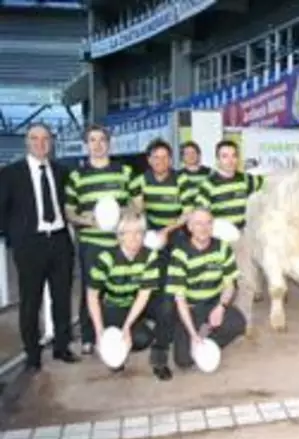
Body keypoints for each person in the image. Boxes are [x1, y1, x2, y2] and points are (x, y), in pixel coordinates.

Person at [0, 123, 79, 371]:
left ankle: (61, 347)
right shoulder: (11, 173)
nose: (40, 143)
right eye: (35, 138)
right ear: (27, 142)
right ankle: (32, 354)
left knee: (62, 298)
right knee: (30, 301)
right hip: (30, 245)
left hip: (59, 241)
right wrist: (15, 239)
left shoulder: (61, 171)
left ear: (52, 142)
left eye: (45, 139)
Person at [65, 124, 136, 355]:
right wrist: (89, 221)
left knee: (122, 288)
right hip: (91, 244)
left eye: (102, 139)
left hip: (120, 243)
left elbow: (137, 205)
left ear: (109, 143)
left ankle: (123, 331)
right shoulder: (77, 176)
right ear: (86, 144)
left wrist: (125, 212)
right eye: (92, 140)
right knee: (91, 290)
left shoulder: (124, 171)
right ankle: (89, 336)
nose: (97, 145)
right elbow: (69, 212)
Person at [87, 210, 173, 380]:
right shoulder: (106, 259)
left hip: (136, 303)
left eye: (139, 232)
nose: (135, 237)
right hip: (114, 305)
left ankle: (159, 355)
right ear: (120, 236)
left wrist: (127, 326)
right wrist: (99, 332)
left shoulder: (150, 256)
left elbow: (143, 295)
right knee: (138, 340)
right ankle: (112, 343)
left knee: (167, 305)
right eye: (129, 233)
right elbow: (92, 296)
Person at [166, 208, 246, 369]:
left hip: (213, 302)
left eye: (208, 223)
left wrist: (221, 307)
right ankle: (194, 337)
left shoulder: (223, 247)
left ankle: (209, 343)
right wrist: (193, 335)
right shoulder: (180, 254)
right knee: (183, 360)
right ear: (189, 227)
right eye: (198, 224)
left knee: (238, 322)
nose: (204, 228)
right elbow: (179, 299)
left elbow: (229, 284)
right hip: (190, 307)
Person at [195, 140, 265, 230]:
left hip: (242, 235)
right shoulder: (208, 184)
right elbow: (200, 214)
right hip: (219, 237)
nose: (230, 161)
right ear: (218, 160)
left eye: (234, 156)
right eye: (225, 156)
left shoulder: (246, 179)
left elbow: (269, 183)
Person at [179, 141, 211, 207]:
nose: (191, 156)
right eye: (187, 153)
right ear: (182, 157)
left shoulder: (209, 173)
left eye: (193, 152)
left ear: (199, 155)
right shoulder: (178, 175)